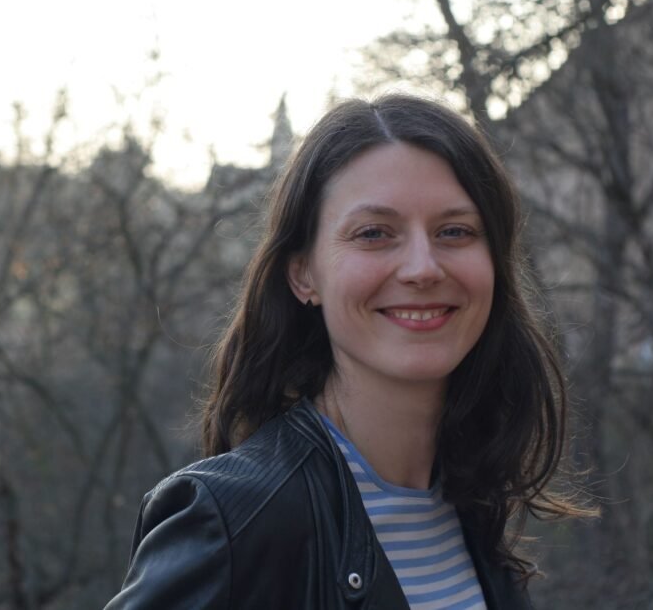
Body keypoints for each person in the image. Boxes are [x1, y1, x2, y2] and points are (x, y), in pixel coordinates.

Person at [105, 94, 588, 609]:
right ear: (303, 274)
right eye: (374, 233)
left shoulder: (475, 508)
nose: (423, 268)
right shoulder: (230, 523)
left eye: (455, 231)